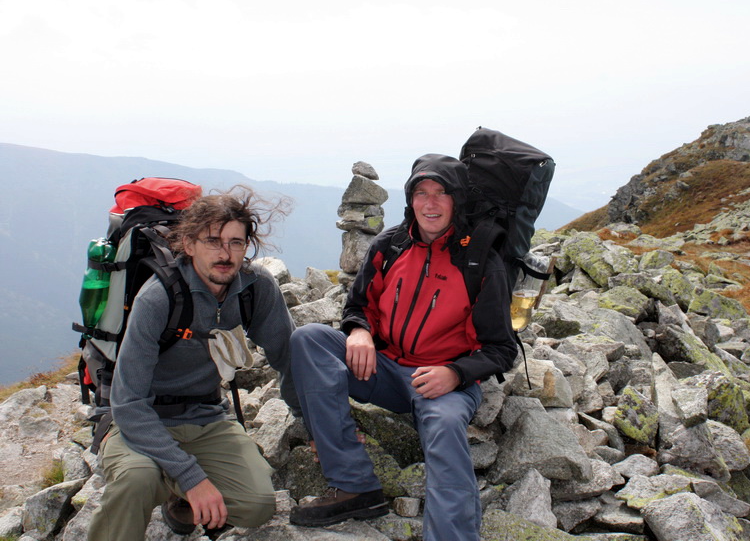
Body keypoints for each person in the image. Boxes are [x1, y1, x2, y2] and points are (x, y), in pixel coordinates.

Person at [289, 154, 518, 540]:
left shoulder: (479, 261)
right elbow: (357, 306)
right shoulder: (389, 245)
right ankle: (354, 484)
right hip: (382, 369)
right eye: (421, 193)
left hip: (439, 381)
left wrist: (456, 373)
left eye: (441, 193)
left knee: (445, 426)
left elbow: (500, 349)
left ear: (457, 200)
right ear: (410, 199)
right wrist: (358, 331)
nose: (430, 203)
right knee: (309, 339)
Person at [87, 187, 299, 541]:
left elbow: (288, 358)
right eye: (212, 241)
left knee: (258, 504)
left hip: (205, 417)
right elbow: (127, 403)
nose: (225, 253)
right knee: (136, 480)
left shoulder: (254, 288)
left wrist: (312, 423)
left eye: (236, 242)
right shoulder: (158, 297)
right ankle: (169, 484)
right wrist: (192, 478)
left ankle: (172, 488)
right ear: (189, 244)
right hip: (139, 421)